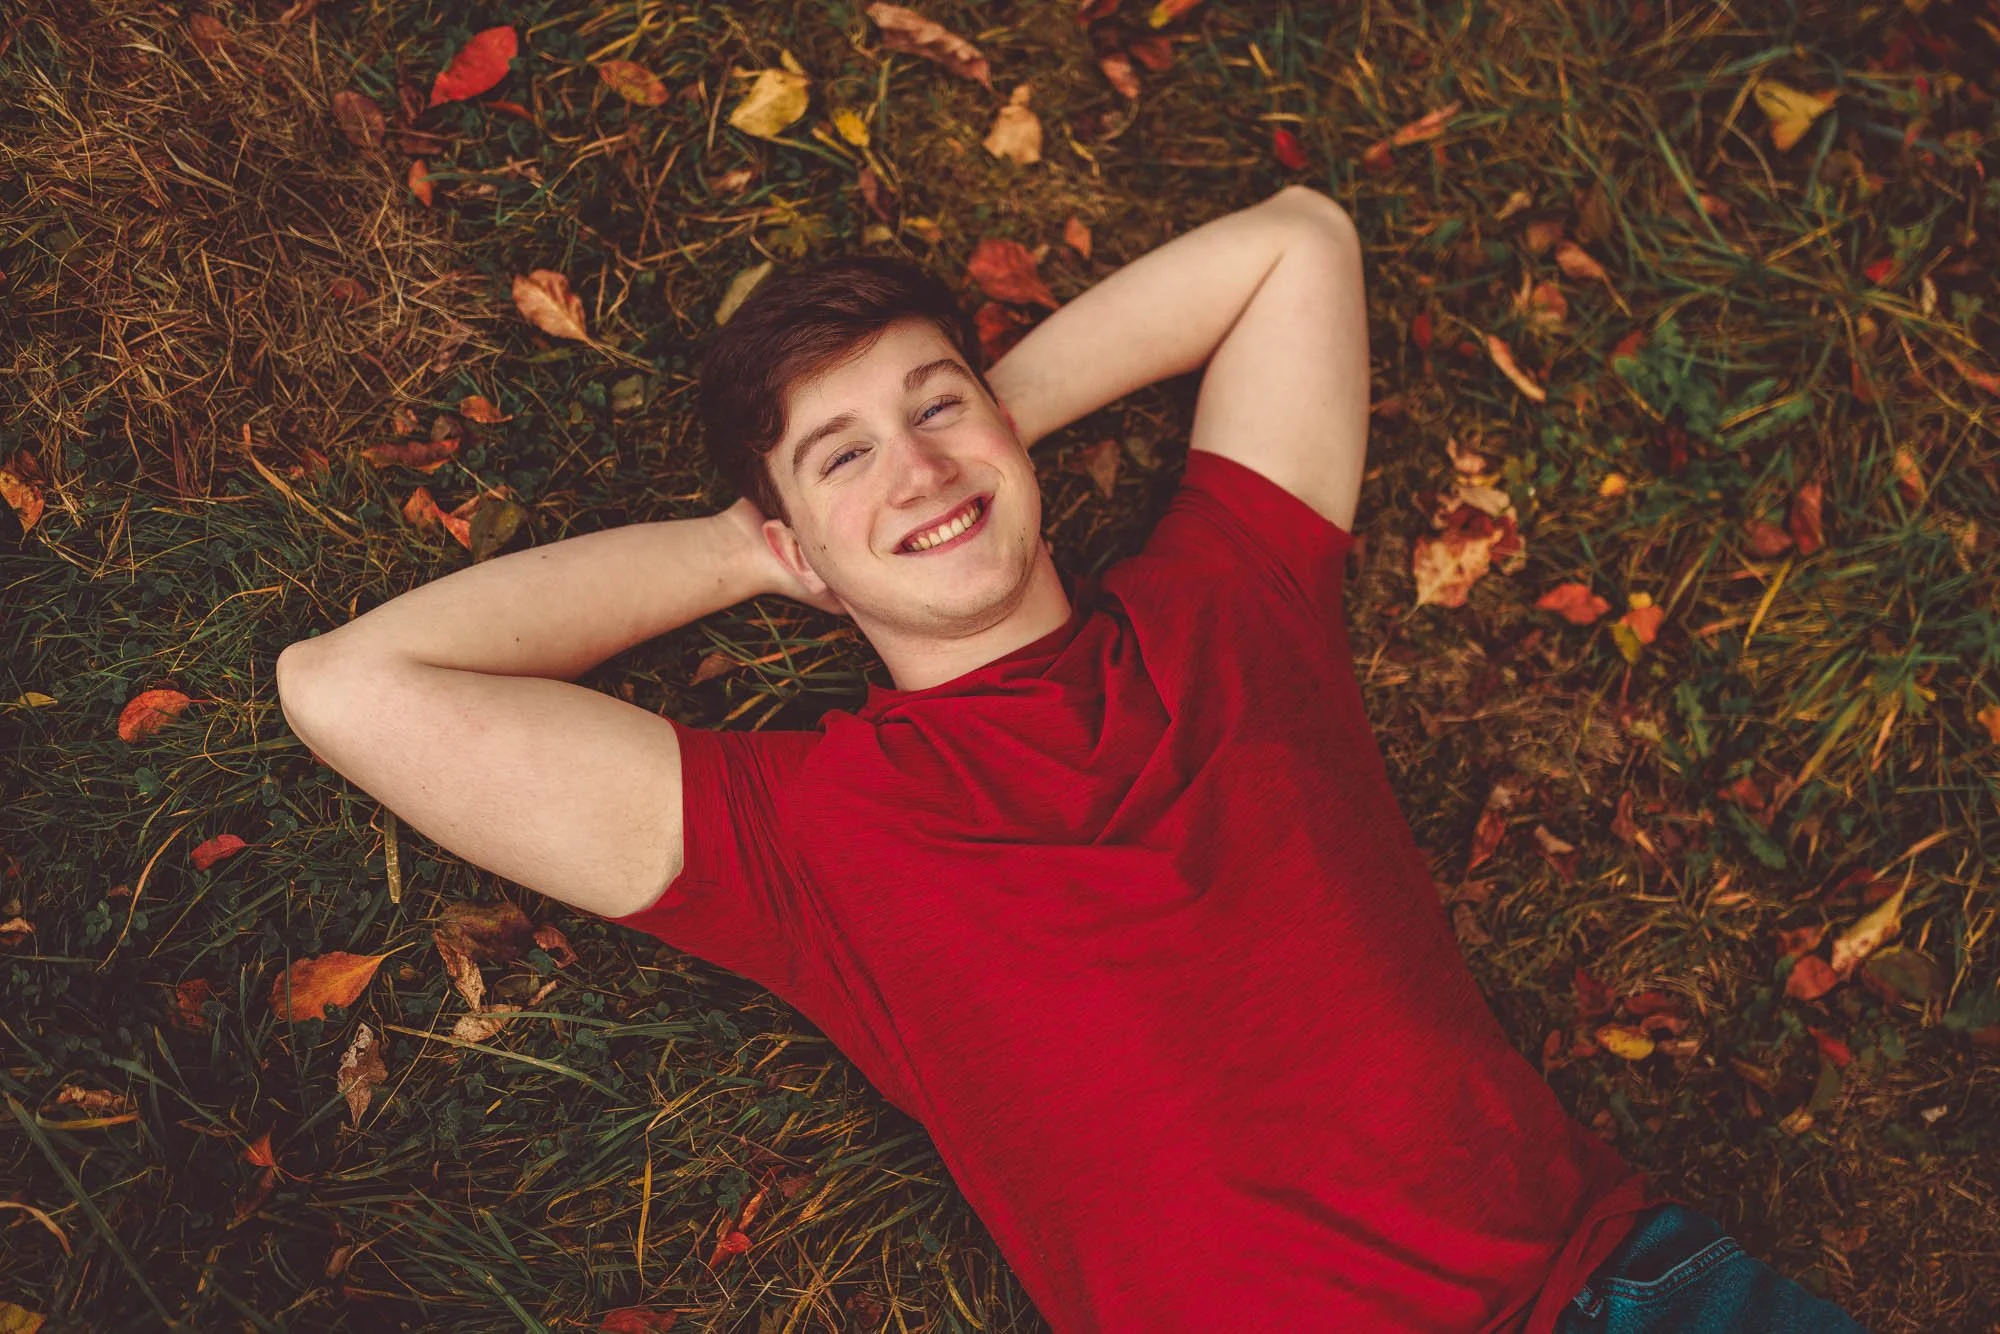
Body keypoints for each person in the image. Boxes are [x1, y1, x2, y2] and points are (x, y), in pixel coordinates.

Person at [275, 186, 1868, 1332]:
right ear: (793, 538)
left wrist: (968, 433)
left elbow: (1297, 244)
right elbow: (350, 684)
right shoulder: (802, 836)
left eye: (933, 407)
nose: (914, 465)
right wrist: (761, 549)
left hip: (1642, 1288)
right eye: (844, 455)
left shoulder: (1231, 600)